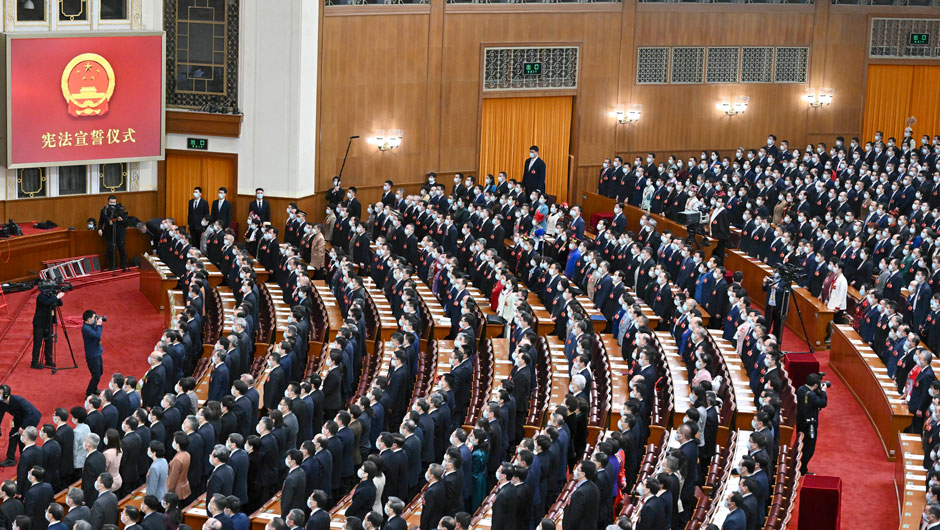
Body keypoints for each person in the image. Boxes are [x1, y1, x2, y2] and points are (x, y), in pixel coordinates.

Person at [0, 386, 42, 467]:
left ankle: (24, 456)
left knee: (23, 436)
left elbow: (29, 412)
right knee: (12, 434)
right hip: (19, 417)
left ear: (6, 394)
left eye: (0, 393)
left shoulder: (18, 400)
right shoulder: (1, 402)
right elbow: (0, 414)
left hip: (31, 417)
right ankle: (10, 459)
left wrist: (23, 427)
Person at [795, 373, 828, 474]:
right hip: (809, 425)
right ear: (815, 385)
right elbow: (823, 403)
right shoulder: (811, 396)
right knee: (809, 449)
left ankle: (800, 467)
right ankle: (802, 470)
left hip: (801, 422)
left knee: (803, 445)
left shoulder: (800, 389)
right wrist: (823, 392)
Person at [31, 285, 64, 370]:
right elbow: (48, 302)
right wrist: (56, 297)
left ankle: (48, 360)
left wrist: (57, 297)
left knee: (49, 341)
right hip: (39, 324)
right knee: (38, 343)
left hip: (48, 323)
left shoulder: (51, 297)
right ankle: (34, 362)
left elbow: (60, 303)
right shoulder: (40, 297)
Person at [562, 461, 600, 530]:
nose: (575, 470)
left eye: (578, 469)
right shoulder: (594, 487)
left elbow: (574, 518)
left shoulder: (580, 493)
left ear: (583, 474)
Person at [97, 196, 127, 271]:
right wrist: (99, 229)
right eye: (111, 202)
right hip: (109, 233)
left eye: (114, 202)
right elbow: (101, 221)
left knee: (121, 249)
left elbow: (126, 221)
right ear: (108, 202)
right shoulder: (104, 210)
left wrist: (121, 219)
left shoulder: (120, 209)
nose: (112, 204)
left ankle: (123, 266)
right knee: (110, 250)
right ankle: (112, 267)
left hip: (119, 233)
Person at [81, 311, 105, 396]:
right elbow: (97, 336)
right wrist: (99, 325)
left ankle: (94, 388)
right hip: (92, 355)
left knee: (100, 372)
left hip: (97, 353)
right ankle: (89, 393)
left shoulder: (90, 325)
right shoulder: (86, 328)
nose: (95, 319)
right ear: (88, 319)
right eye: (93, 317)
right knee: (96, 375)